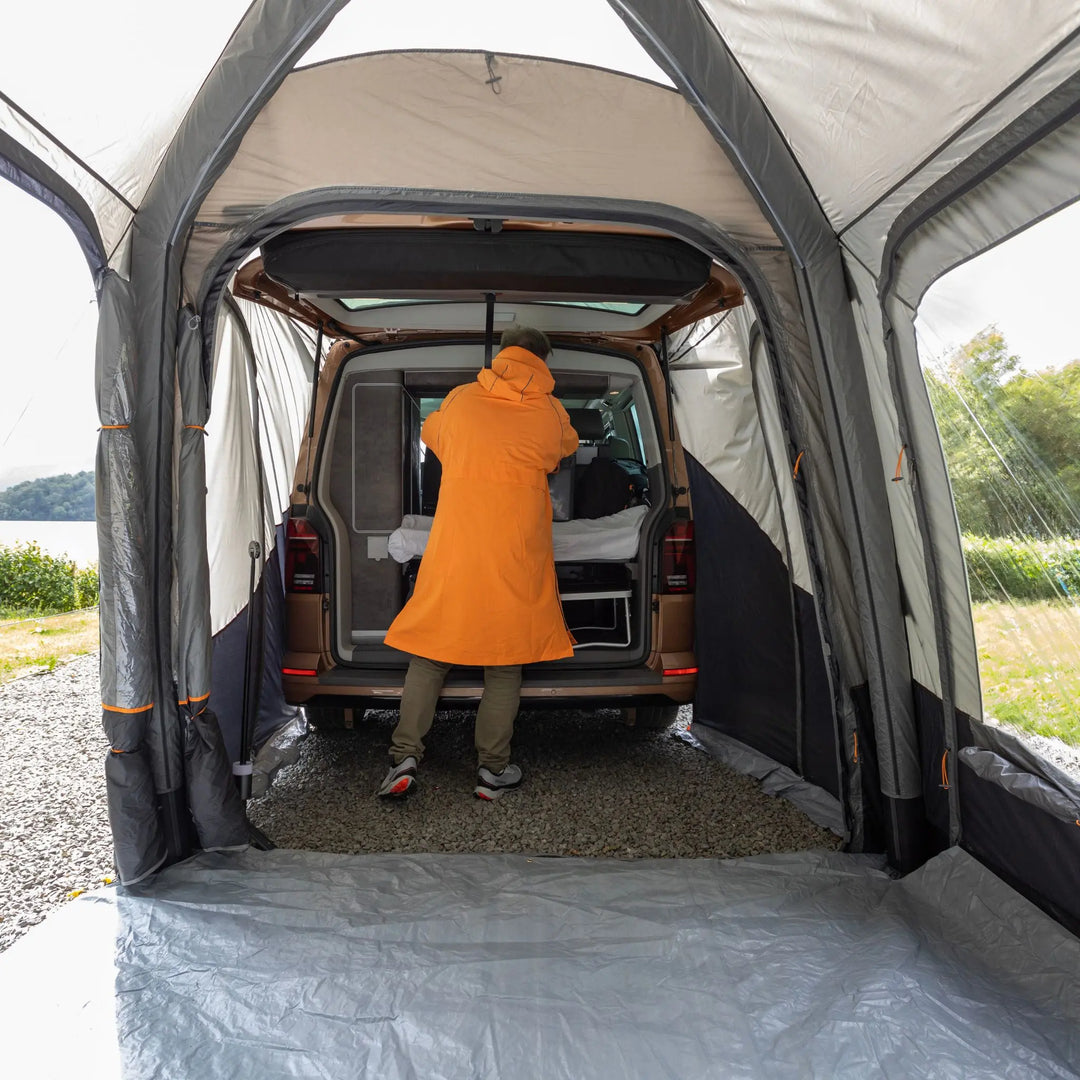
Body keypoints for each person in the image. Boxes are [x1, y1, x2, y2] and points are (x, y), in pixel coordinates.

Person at [378, 325, 579, 800]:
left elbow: (431, 434)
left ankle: (404, 755)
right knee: (505, 666)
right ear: (542, 359)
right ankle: (493, 771)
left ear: (505, 351)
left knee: (429, 655)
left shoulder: (462, 399)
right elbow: (562, 450)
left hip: (457, 551)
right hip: (514, 555)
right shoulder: (549, 410)